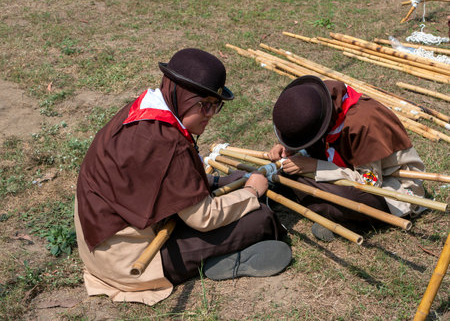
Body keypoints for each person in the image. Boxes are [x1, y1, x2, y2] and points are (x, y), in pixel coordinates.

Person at [74, 48, 291, 306]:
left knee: (235, 182)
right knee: (260, 220)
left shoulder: (144, 108)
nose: (210, 115)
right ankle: (224, 259)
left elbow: (160, 179)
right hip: (130, 261)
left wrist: (232, 185)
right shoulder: (166, 143)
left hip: (98, 247)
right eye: (204, 106)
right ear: (183, 96)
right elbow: (204, 218)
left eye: (216, 106)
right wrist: (252, 193)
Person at [268, 75, 425, 242]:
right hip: (351, 169)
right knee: (289, 170)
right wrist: (290, 147)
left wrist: (315, 167)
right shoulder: (322, 102)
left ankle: (346, 219)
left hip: (390, 186)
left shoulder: (363, 123)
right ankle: (294, 185)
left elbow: (370, 181)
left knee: (344, 201)